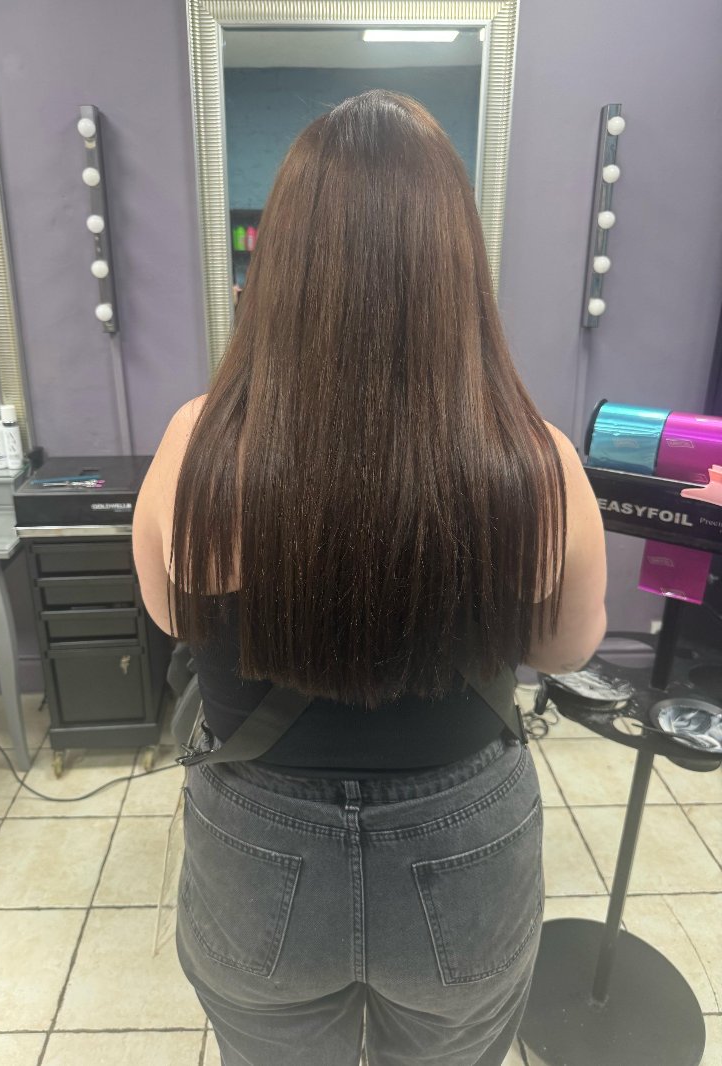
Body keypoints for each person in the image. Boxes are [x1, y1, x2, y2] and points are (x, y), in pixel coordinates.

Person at [132, 89, 607, 1066]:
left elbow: (171, 613)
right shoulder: (536, 463)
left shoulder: (195, 446)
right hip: (462, 846)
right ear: (456, 268)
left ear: (279, 265)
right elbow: (566, 649)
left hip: (256, 845)